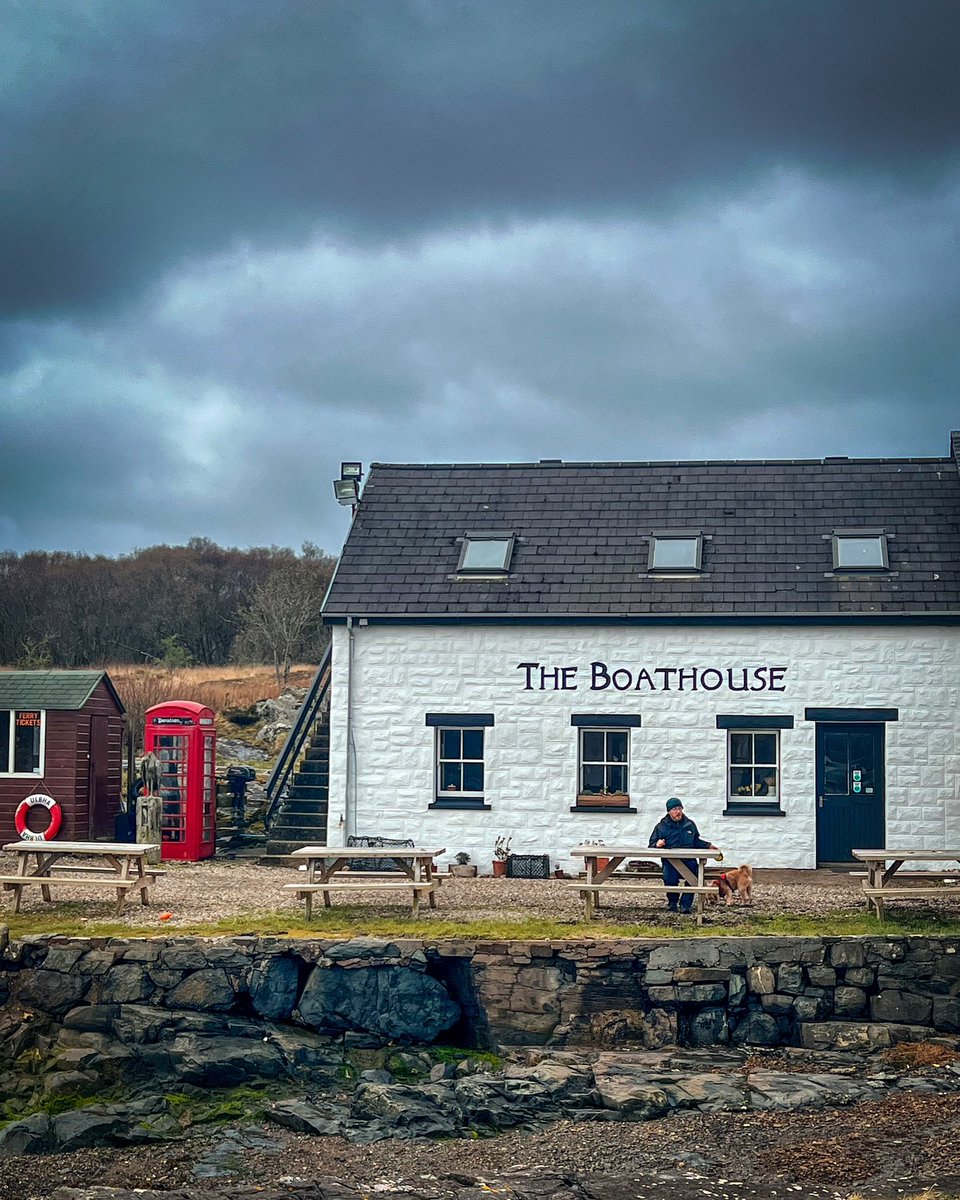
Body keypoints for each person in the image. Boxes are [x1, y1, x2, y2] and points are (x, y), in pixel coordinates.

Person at [648, 796, 718, 914]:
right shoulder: (661, 827)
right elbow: (651, 845)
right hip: (670, 861)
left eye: (680, 808)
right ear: (669, 811)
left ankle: (686, 904)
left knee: (694, 877)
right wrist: (657, 844)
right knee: (669, 878)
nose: (678, 812)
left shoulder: (689, 824)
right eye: (675, 809)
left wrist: (708, 846)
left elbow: (696, 841)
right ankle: (673, 902)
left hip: (688, 860)